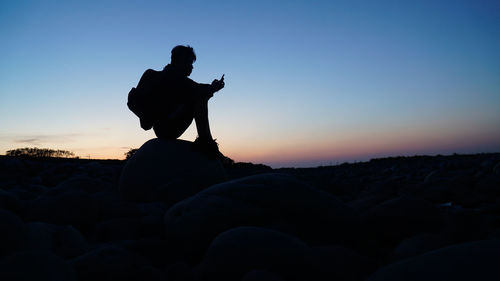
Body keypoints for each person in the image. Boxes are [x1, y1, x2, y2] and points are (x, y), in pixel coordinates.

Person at [138, 45, 225, 158]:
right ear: (180, 61)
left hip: (160, 127)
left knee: (200, 95)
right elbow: (199, 90)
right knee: (200, 97)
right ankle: (206, 141)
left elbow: (198, 88)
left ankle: (205, 141)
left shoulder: (155, 75)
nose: (192, 67)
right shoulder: (178, 80)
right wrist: (214, 87)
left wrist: (212, 88)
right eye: (190, 63)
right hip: (167, 128)